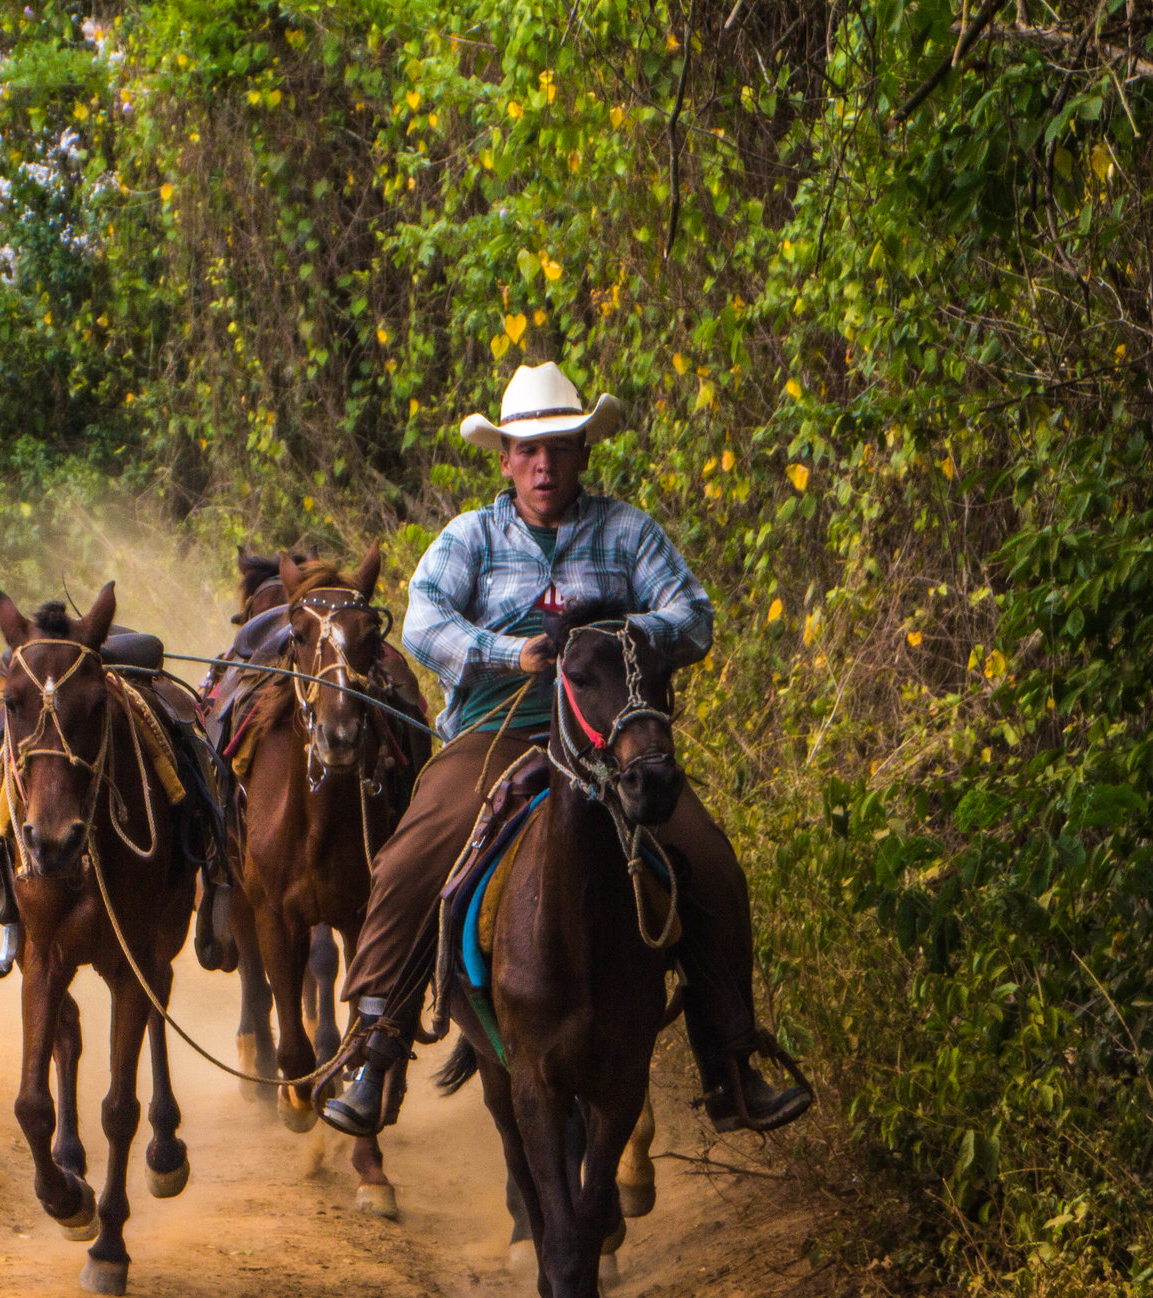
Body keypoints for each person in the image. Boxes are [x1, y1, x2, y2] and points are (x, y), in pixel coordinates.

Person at [319, 362, 813, 1139]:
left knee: (709, 859)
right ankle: (377, 1044)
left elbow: (695, 616)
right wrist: (506, 652)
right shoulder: (471, 538)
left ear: (583, 451)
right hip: (499, 726)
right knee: (415, 850)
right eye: (528, 450)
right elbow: (421, 622)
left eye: (559, 447)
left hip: (609, 731)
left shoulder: (627, 532)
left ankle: (731, 1061)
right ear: (506, 458)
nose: (544, 464)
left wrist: (606, 640)